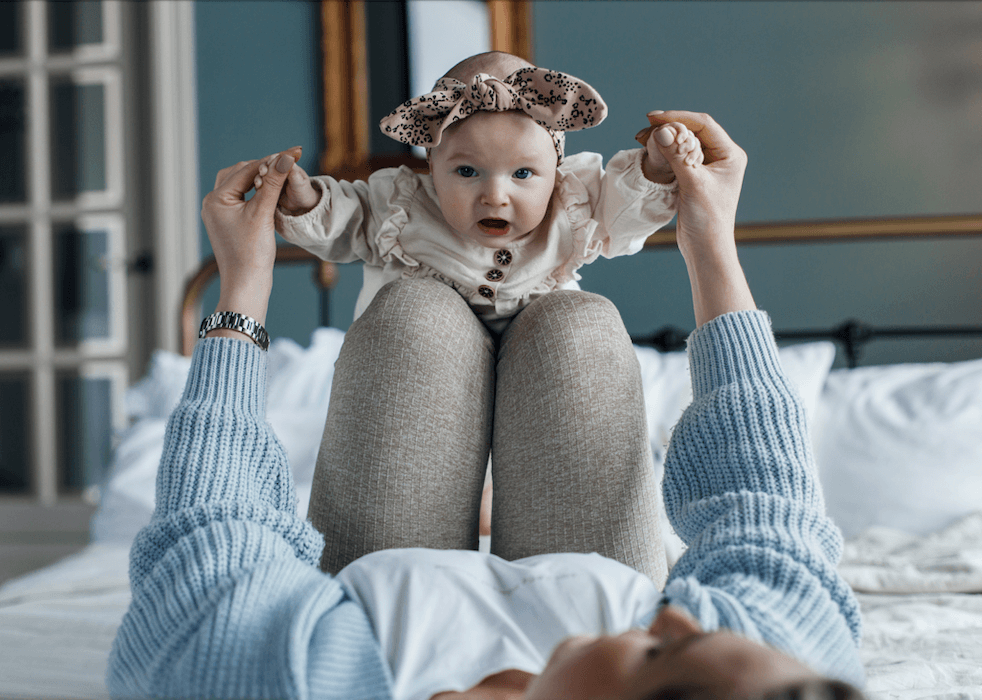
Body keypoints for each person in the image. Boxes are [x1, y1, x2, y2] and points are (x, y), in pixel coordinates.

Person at [107, 110, 867, 700]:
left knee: (418, 314)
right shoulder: (781, 671)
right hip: (594, 573)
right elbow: (769, 512)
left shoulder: (272, 676)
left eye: (663, 656)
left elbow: (207, 535)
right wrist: (708, 238)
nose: (679, 613)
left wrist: (243, 290)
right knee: (575, 321)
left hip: (365, 601)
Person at [264, 51, 701, 334]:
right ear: (432, 166)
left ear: (556, 171)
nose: (495, 195)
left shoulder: (573, 203)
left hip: (535, 360)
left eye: (523, 174)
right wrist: (307, 202)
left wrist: (656, 168)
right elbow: (348, 220)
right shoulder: (403, 204)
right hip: (422, 362)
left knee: (575, 341)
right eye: (468, 171)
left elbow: (625, 211)